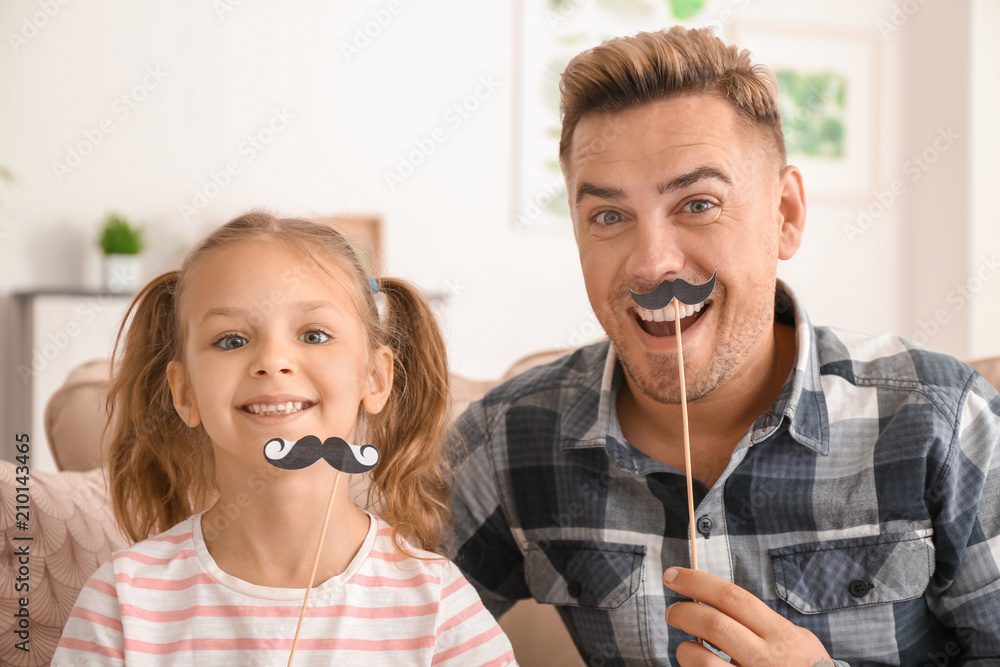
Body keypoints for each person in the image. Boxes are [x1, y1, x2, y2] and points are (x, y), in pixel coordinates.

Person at [448, 26, 1000, 666]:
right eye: (608, 216)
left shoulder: (943, 420)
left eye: (698, 204)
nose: (652, 265)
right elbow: (379, 625)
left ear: (784, 215)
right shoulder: (506, 441)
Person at [53, 212, 517, 666]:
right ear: (184, 392)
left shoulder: (437, 606)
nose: (273, 361)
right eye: (231, 340)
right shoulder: (123, 600)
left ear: (375, 378)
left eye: (314, 335)